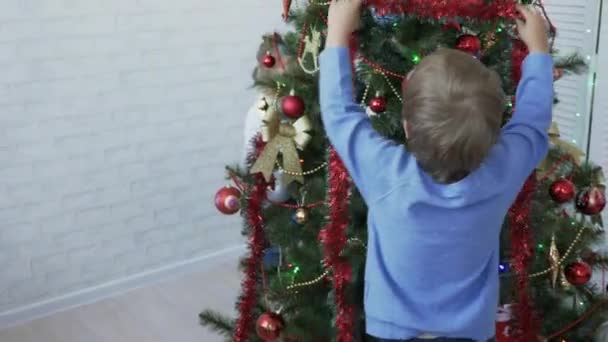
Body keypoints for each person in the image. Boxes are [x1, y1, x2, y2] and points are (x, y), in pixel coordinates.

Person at [319, 1, 552, 341]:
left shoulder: (386, 172)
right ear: (495, 131)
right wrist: (539, 51)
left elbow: (338, 114)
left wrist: (337, 32)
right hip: (468, 331)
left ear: (407, 127)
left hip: (392, 329)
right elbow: (532, 123)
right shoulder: (501, 172)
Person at [243, 33, 297, 203]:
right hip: (277, 199)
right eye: (280, 64)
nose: (284, 70)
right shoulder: (260, 113)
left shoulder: (296, 101)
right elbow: (252, 164)